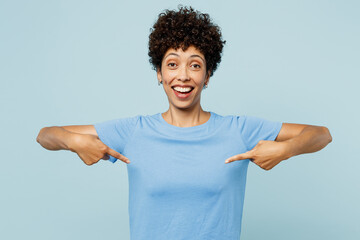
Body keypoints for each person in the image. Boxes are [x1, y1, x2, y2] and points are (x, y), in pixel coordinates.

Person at [36, 5, 332, 240]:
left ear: (208, 75)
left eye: (195, 65)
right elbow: (46, 135)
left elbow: (321, 135)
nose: (183, 76)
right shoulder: (134, 131)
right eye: (172, 64)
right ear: (159, 73)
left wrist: (285, 150)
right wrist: (74, 142)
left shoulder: (239, 130)